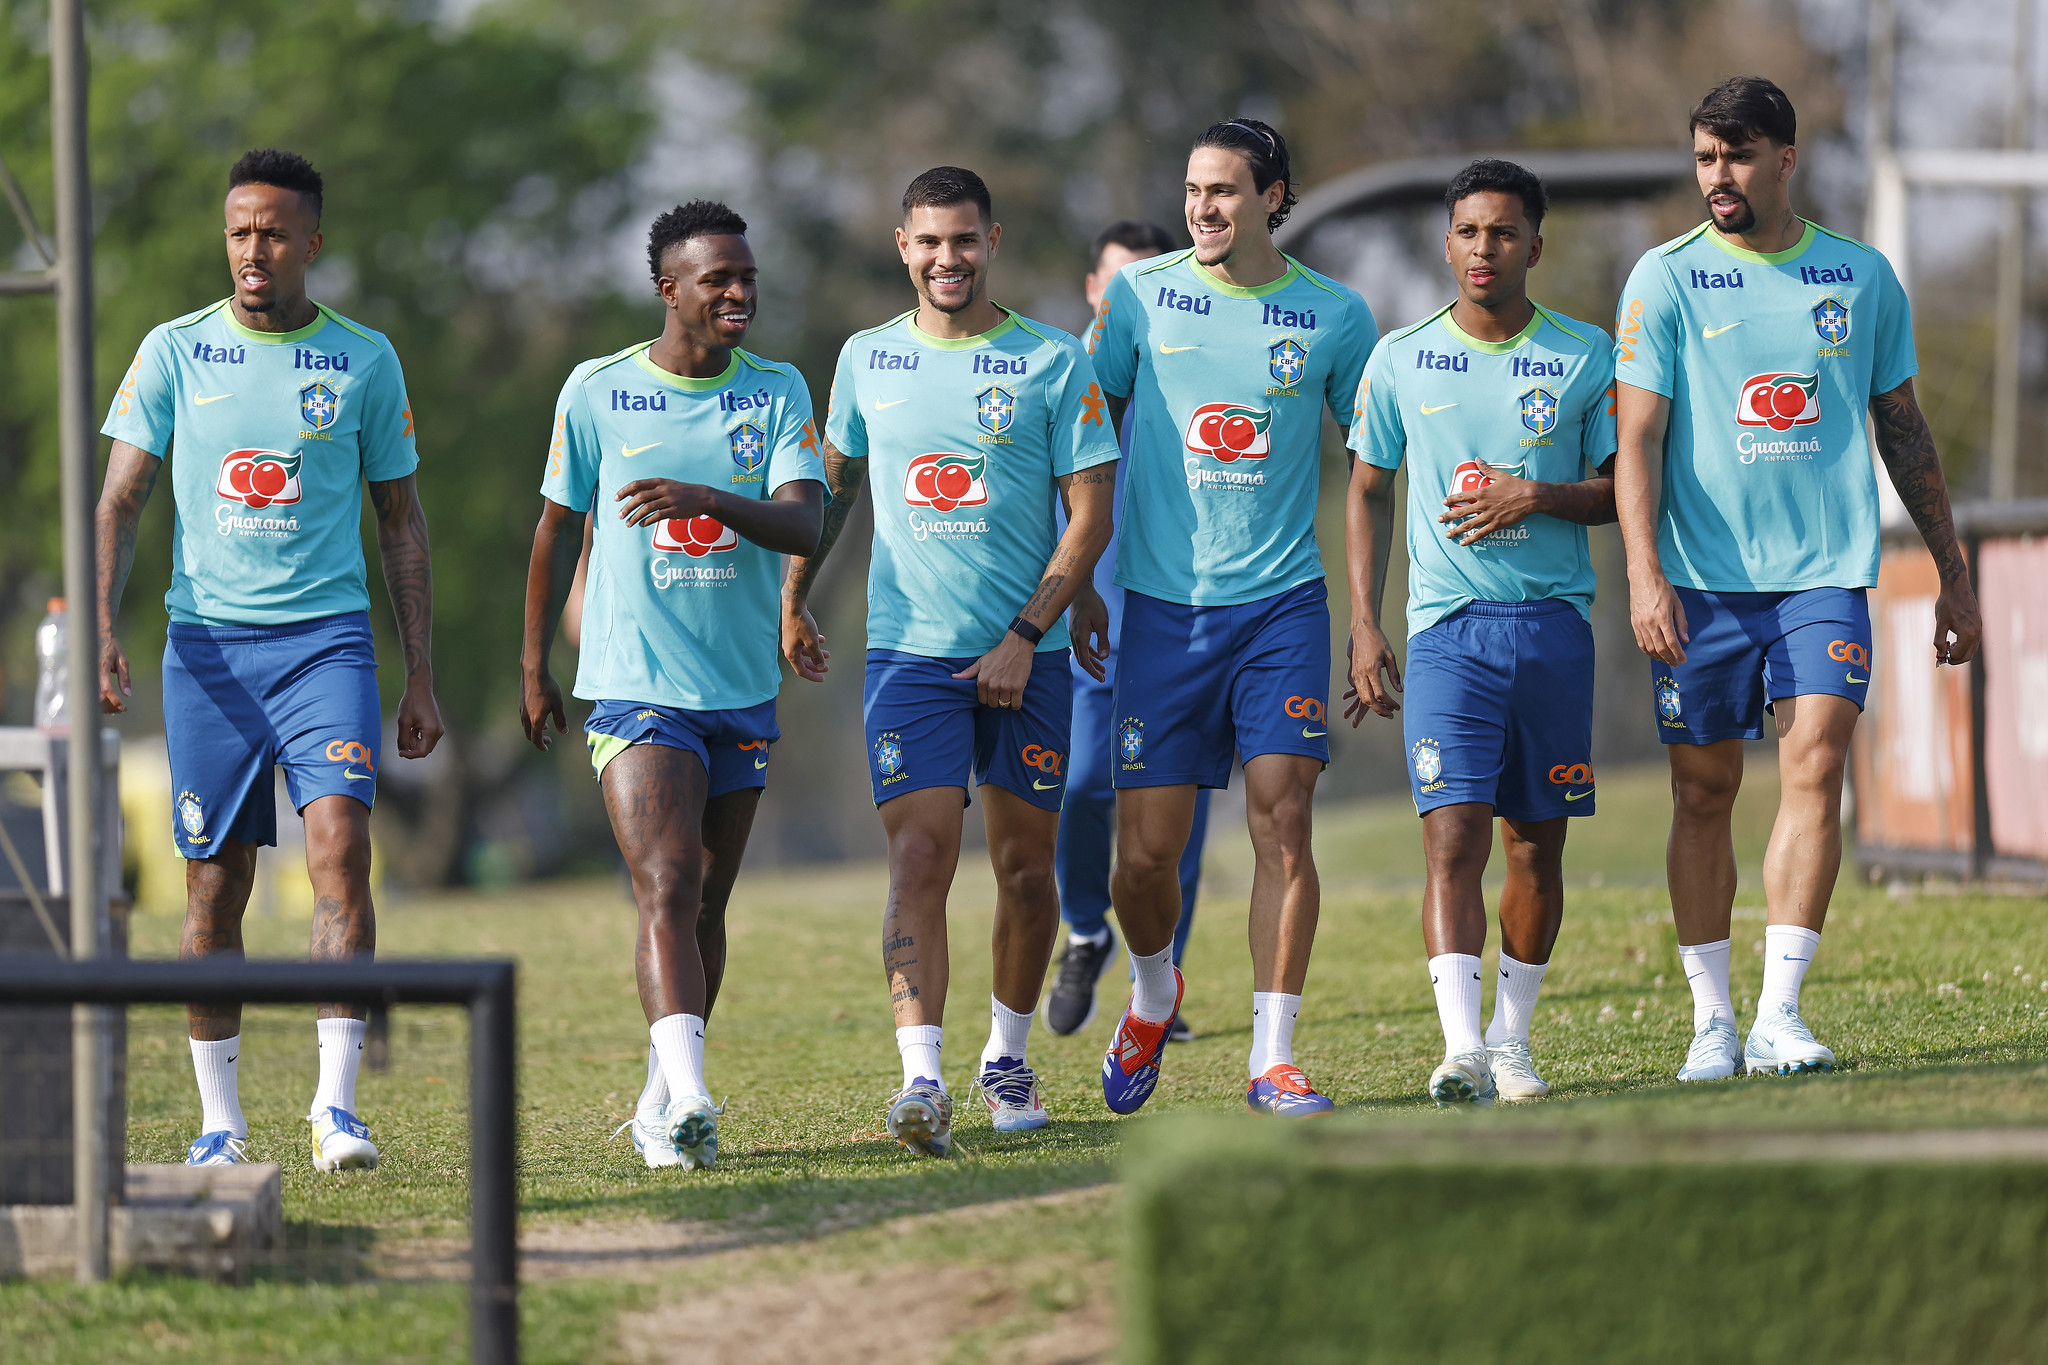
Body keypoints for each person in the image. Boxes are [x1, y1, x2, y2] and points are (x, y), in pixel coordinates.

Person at [1613, 77, 1980, 1081]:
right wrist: (1643, 575)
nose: (1715, 177)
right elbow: (1633, 441)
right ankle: (1709, 1022)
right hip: (1697, 581)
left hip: (1820, 577)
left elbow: (1901, 429)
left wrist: (1951, 573)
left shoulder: (1858, 279)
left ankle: (1777, 1015)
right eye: (1702, 158)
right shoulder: (1663, 277)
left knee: (1814, 758)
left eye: (1734, 157)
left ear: (1784, 159)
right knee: (1703, 792)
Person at [96, 149, 442, 1170]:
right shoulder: (173, 350)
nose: (255, 249)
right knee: (214, 891)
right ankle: (220, 1123)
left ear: (312, 244)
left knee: (340, 849)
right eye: (241, 231)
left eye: (275, 233)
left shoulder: (364, 360)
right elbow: (119, 499)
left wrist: (419, 672)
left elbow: (401, 521)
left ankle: (336, 1108)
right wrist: (106, 629)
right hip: (204, 653)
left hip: (325, 644)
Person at [781, 167, 1118, 1157]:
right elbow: (832, 491)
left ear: (991, 241)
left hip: (1031, 660)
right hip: (907, 659)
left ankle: (1004, 1055)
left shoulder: (1052, 363)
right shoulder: (863, 361)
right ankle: (920, 1080)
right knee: (918, 856)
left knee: (1023, 870)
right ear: (901, 246)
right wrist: (794, 597)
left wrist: (1024, 634)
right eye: (928, 242)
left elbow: (1088, 514)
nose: (945, 259)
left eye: (962, 241)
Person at [520, 201, 824, 1170]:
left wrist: (699, 499)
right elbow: (552, 531)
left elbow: (802, 526)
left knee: (706, 906)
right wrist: (533, 666)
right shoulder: (598, 390)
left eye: (746, 278)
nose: (737, 295)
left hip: (737, 688)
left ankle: (660, 1100)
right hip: (632, 685)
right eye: (716, 281)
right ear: (668, 291)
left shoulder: (774, 392)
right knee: (665, 880)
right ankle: (694, 1092)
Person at [1086, 119, 1376, 1118]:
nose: (1201, 208)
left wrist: (1369, 614)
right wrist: (1077, 580)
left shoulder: (1337, 318)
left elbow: (1369, 473)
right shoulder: (1137, 297)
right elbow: (1086, 446)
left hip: (1281, 607)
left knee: (1282, 822)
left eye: (1222, 190)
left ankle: (1271, 1059)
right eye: (1191, 190)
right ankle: (1154, 993)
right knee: (1143, 861)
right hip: (1162, 614)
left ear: (1272, 197)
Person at [1346, 159, 1617, 1106]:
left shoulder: (1585, 356)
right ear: (1447, 240)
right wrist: (1366, 623)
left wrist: (1535, 495)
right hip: (1448, 634)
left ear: (1534, 246)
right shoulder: (1401, 356)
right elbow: (1367, 491)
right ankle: (1461, 1048)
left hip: (1550, 628)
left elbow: (1624, 489)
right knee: (1452, 838)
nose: (1483, 247)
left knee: (1535, 845)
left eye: (1503, 232)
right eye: (1468, 230)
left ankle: (1512, 1040)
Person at [1043, 219, 1213, 1044]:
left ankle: (1161, 974)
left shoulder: (1193, 361)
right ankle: (1085, 928)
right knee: (1081, 784)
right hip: (1092, 610)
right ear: (1092, 290)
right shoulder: (1059, 369)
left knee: (1178, 797)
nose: (1135, 301)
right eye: (1120, 285)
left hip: (1182, 611)